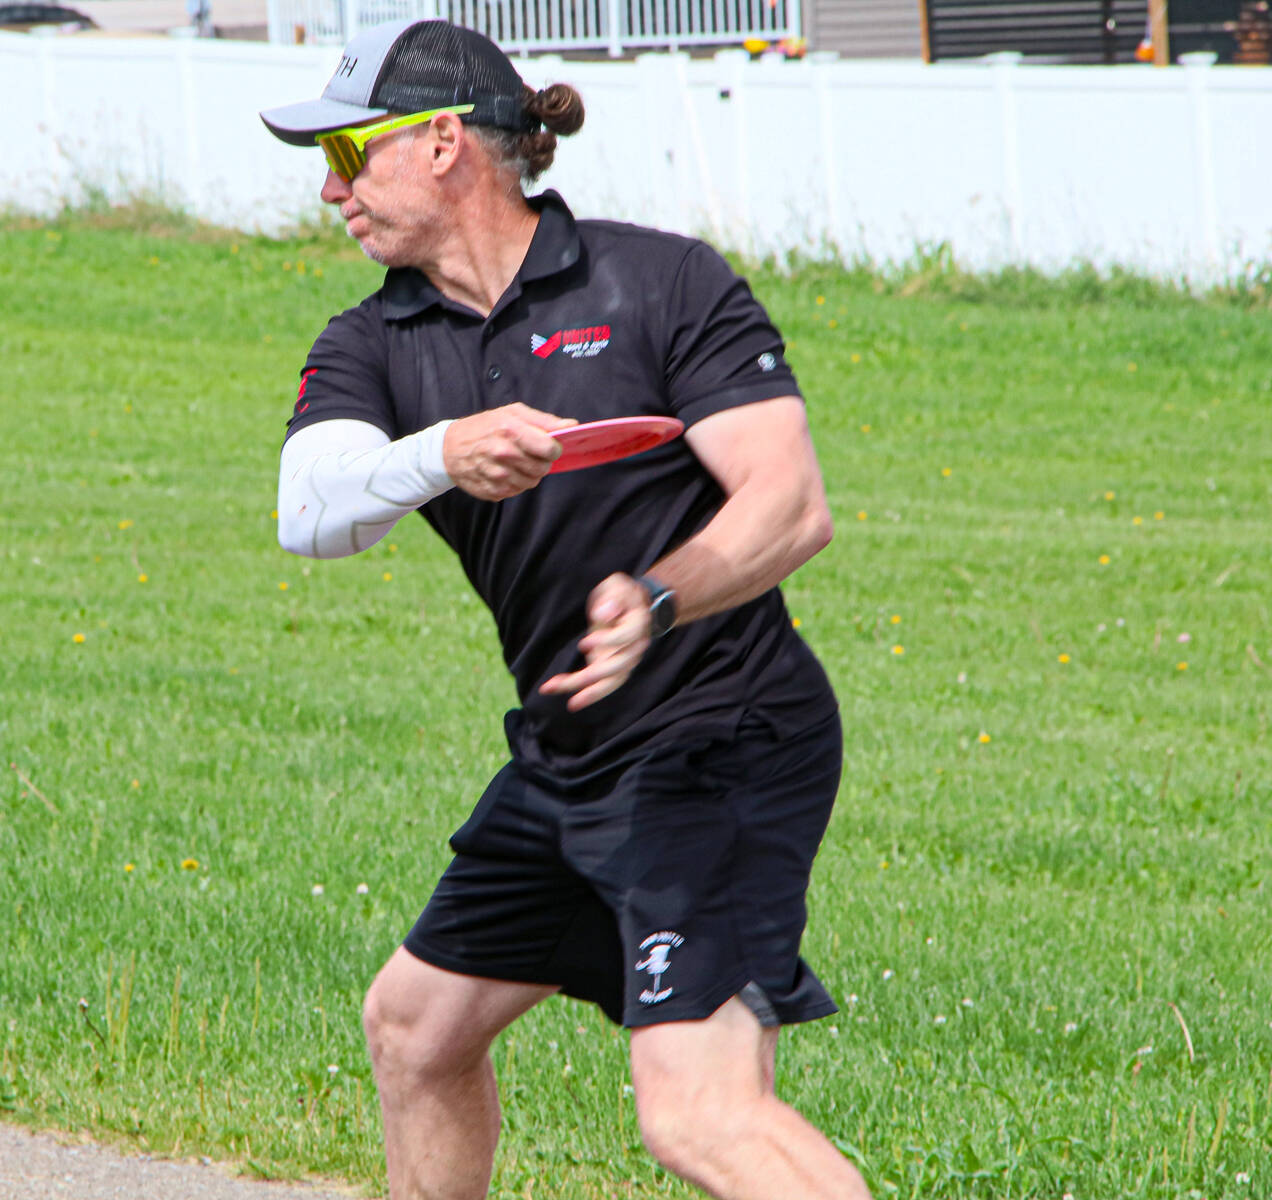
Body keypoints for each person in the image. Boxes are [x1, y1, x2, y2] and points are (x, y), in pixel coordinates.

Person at [260, 19, 870, 1200]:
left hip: (719, 739)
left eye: (347, 155)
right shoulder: (373, 344)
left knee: (699, 1115)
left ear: (441, 143)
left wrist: (656, 594)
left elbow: (790, 505)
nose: (331, 190)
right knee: (415, 1028)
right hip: (568, 755)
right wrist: (443, 451)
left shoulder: (654, 283)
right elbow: (308, 511)